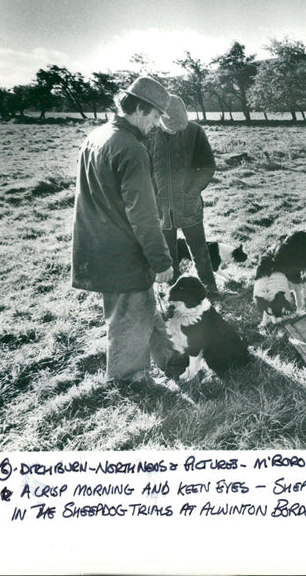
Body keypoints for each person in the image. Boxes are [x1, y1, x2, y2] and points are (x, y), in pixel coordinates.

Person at [71, 76, 175, 383]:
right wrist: (161, 261)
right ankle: (130, 380)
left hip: (98, 245)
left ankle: (172, 360)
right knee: (130, 317)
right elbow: (144, 215)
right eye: (156, 117)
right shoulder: (131, 149)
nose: (156, 125)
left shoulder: (97, 135)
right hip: (123, 251)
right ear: (141, 109)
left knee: (143, 308)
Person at [149, 95, 219, 300]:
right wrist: (152, 195)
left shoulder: (195, 131)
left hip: (189, 205)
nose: (174, 131)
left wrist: (192, 190)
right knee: (169, 254)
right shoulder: (149, 133)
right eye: (170, 127)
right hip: (160, 208)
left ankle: (210, 289)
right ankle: (175, 295)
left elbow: (207, 165)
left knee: (200, 250)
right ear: (160, 117)